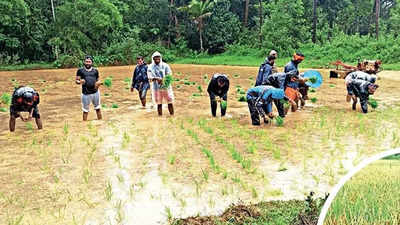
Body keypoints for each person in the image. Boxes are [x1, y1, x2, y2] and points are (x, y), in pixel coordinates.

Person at [75, 55, 102, 121]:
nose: (88, 63)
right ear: (84, 62)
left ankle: (100, 121)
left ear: (92, 63)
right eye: (86, 61)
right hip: (85, 94)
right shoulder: (80, 70)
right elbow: (76, 81)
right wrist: (80, 82)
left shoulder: (95, 71)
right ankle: (84, 125)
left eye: (89, 62)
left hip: (95, 92)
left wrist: (99, 83)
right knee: (85, 110)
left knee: (98, 108)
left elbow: (98, 80)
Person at [147, 52, 174, 116]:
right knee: (159, 103)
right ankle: (160, 117)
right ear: (153, 59)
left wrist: (163, 80)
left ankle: (172, 115)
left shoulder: (165, 65)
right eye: (155, 58)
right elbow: (149, 77)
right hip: (156, 88)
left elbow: (170, 75)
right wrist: (156, 79)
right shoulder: (150, 67)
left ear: (160, 58)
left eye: (158, 58)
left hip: (166, 87)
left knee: (169, 102)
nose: (157, 59)